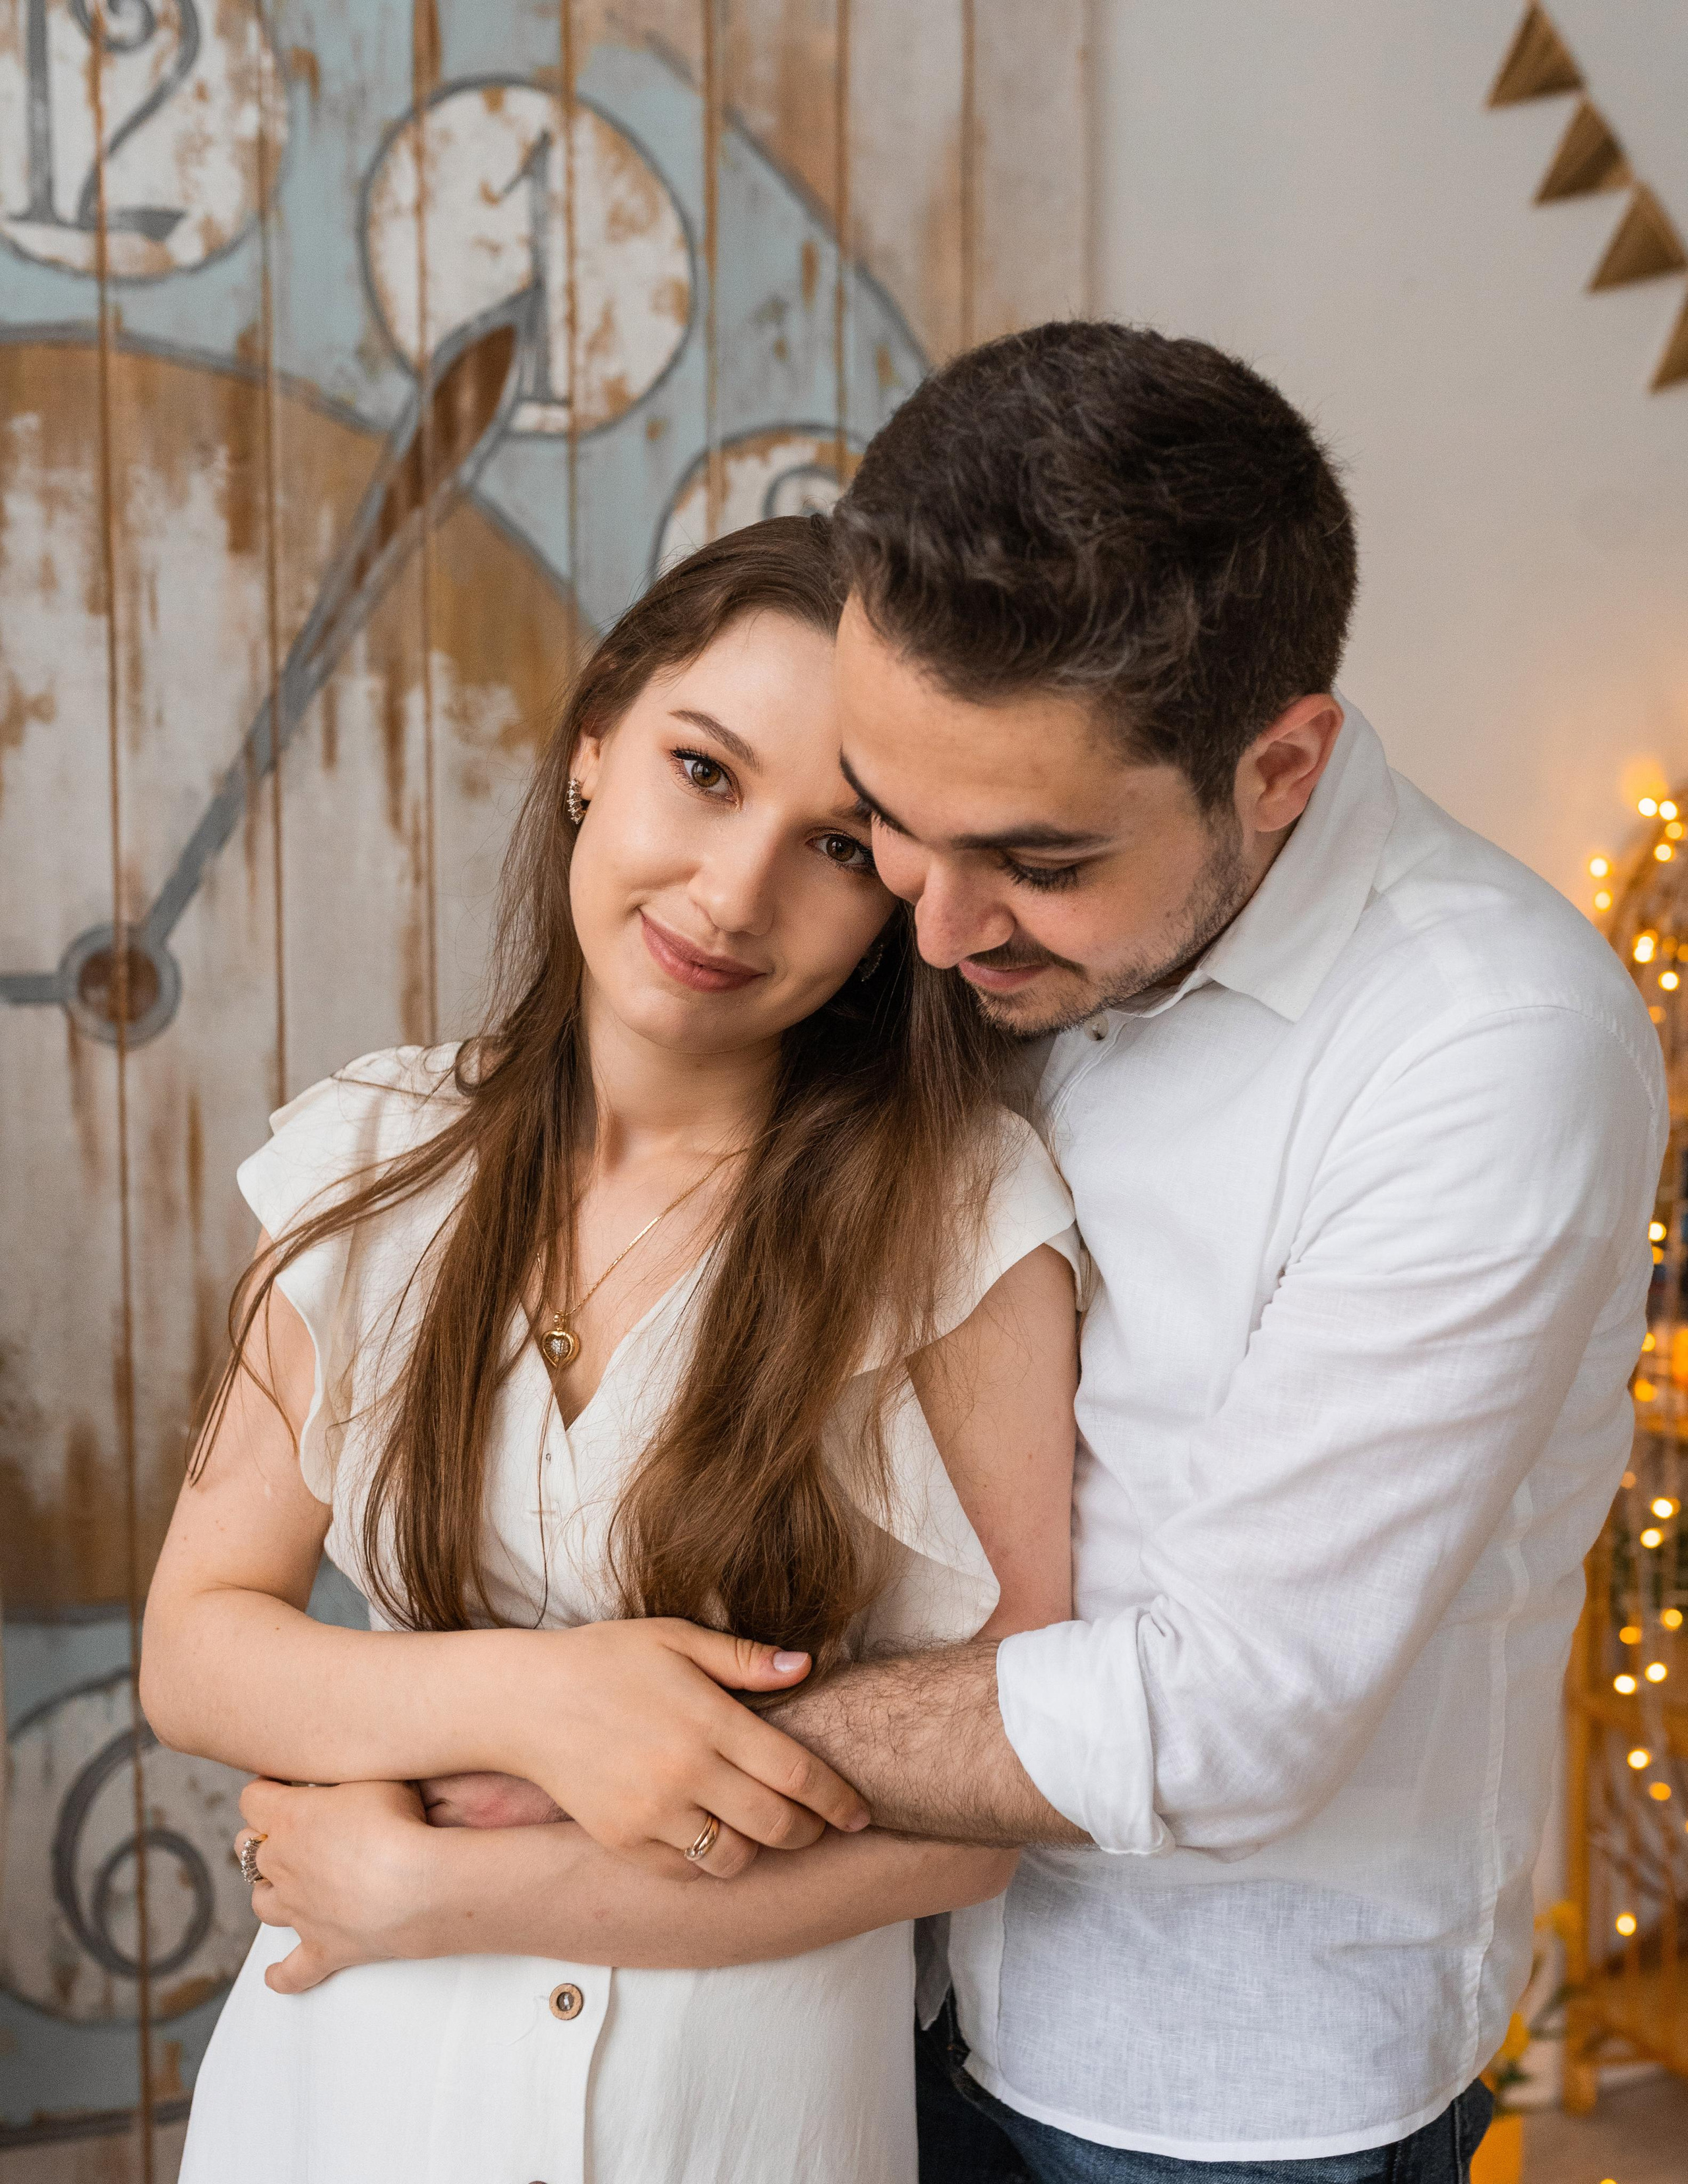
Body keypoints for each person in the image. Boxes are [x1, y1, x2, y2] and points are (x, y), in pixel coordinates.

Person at [226, 324, 1666, 2184]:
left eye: (1037, 859)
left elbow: (1225, 1714)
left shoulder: (1487, 1052)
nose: (937, 919)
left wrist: (595, 1754)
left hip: (1208, 2088)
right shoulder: (945, 938)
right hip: (851, 2002)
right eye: (891, 825)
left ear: (1282, 766)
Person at [140, 515, 1084, 2184]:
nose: (732, 894)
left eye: (841, 848)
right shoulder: (373, 1154)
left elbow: (1003, 1804)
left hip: (730, 2123)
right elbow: (199, 1649)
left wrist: (443, 1883)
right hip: (342, 2097)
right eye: (703, 773)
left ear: (900, 904)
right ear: (593, 749)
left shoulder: (956, 1215)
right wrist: (539, 1698)